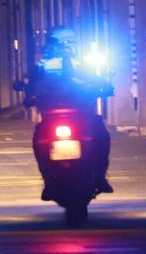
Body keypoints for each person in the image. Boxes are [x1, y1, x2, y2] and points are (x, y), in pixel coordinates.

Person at [22, 26, 114, 194]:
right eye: (66, 43)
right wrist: (28, 95)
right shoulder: (45, 66)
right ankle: (51, 179)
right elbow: (31, 85)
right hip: (58, 115)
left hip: (78, 114)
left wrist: (105, 88)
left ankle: (98, 177)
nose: (68, 47)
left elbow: (98, 81)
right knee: (40, 141)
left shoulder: (76, 65)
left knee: (100, 135)